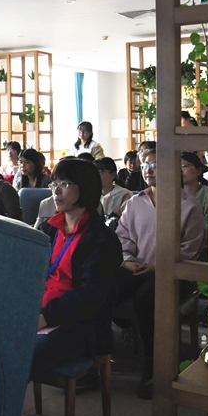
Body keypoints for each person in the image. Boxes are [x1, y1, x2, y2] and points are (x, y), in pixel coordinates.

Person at [115, 148, 205, 399]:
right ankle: (94, 356)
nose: (148, 170)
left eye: (155, 165)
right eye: (145, 165)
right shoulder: (135, 202)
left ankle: (154, 367)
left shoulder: (188, 205)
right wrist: (127, 260)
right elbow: (122, 237)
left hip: (175, 274)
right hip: (137, 267)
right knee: (106, 285)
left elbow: (191, 249)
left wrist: (159, 267)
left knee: (147, 299)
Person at [33, 160, 122, 376]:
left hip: (78, 323)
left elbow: (91, 296)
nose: (56, 191)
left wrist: (46, 317)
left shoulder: (102, 239)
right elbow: (28, 274)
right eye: (54, 184)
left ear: (85, 187)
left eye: (64, 184)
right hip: (37, 312)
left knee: (19, 355)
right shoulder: (49, 229)